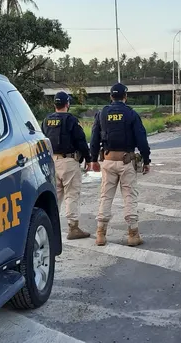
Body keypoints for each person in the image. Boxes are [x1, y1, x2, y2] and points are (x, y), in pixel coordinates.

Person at [90, 83, 151, 247]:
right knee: (129, 197)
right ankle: (133, 235)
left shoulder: (101, 113)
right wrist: (146, 160)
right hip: (127, 161)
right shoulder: (131, 114)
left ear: (111, 97)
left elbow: (94, 138)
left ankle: (101, 234)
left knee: (105, 196)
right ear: (125, 96)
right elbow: (141, 140)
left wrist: (93, 160)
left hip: (108, 161)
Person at [42, 91, 91, 240]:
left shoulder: (46, 120)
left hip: (51, 162)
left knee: (55, 196)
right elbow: (81, 141)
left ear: (55, 104)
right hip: (69, 162)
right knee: (72, 194)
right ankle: (73, 228)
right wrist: (88, 159)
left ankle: (48, 227)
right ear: (67, 104)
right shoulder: (71, 120)